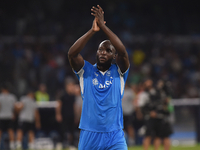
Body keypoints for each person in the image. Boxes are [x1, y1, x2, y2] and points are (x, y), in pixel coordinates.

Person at [68, 5, 130, 150]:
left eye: (108, 51)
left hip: (114, 134)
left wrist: (103, 27)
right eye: (100, 49)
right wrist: (92, 31)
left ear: (114, 57)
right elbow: (72, 54)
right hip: (90, 134)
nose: (103, 53)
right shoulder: (86, 71)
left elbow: (123, 52)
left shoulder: (119, 71)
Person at [55, 77, 76, 150]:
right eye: (70, 86)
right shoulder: (63, 94)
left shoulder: (73, 96)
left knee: (72, 131)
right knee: (62, 131)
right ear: (67, 86)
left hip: (71, 115)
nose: (72, 87)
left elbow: (74, 106)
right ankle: (60, 144)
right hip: (64, 115)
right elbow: (59, 105)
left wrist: (76, 116)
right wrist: (58, 114)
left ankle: (71, 145)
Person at [0, 83, 18, 150]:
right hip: (10, 116)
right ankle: (12, 146)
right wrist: (14, 114)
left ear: (2, 89)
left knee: (0, 131)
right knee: (11, 131)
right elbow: (15, 108)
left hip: (1, 116)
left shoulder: (0, 96)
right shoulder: (12, 97)